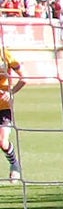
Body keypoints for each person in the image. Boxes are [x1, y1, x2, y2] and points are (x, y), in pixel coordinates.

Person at [0, 45, 25, 181]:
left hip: (3, 107)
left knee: (2, 142)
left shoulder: (6, 55)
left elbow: (24, 78)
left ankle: (14, 164)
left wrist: (11, 93)